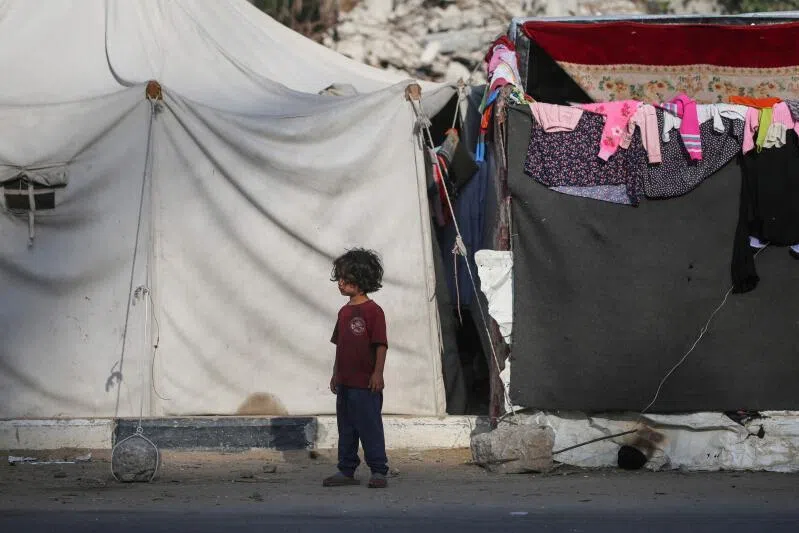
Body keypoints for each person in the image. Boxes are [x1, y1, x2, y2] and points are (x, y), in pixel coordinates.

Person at [323, 248, 390, 489]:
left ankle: (379, 470)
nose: (340, 283)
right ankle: (346, 469)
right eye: (339, 278)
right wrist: (335, 374)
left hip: (366, 384)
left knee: (370, 426)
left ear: (360, 281)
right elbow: (340, 345)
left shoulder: (374, 312)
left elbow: (380, 344)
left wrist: (378, 373)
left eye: (346, 278)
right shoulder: (343, 312)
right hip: (345, 383)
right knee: (347, 428)